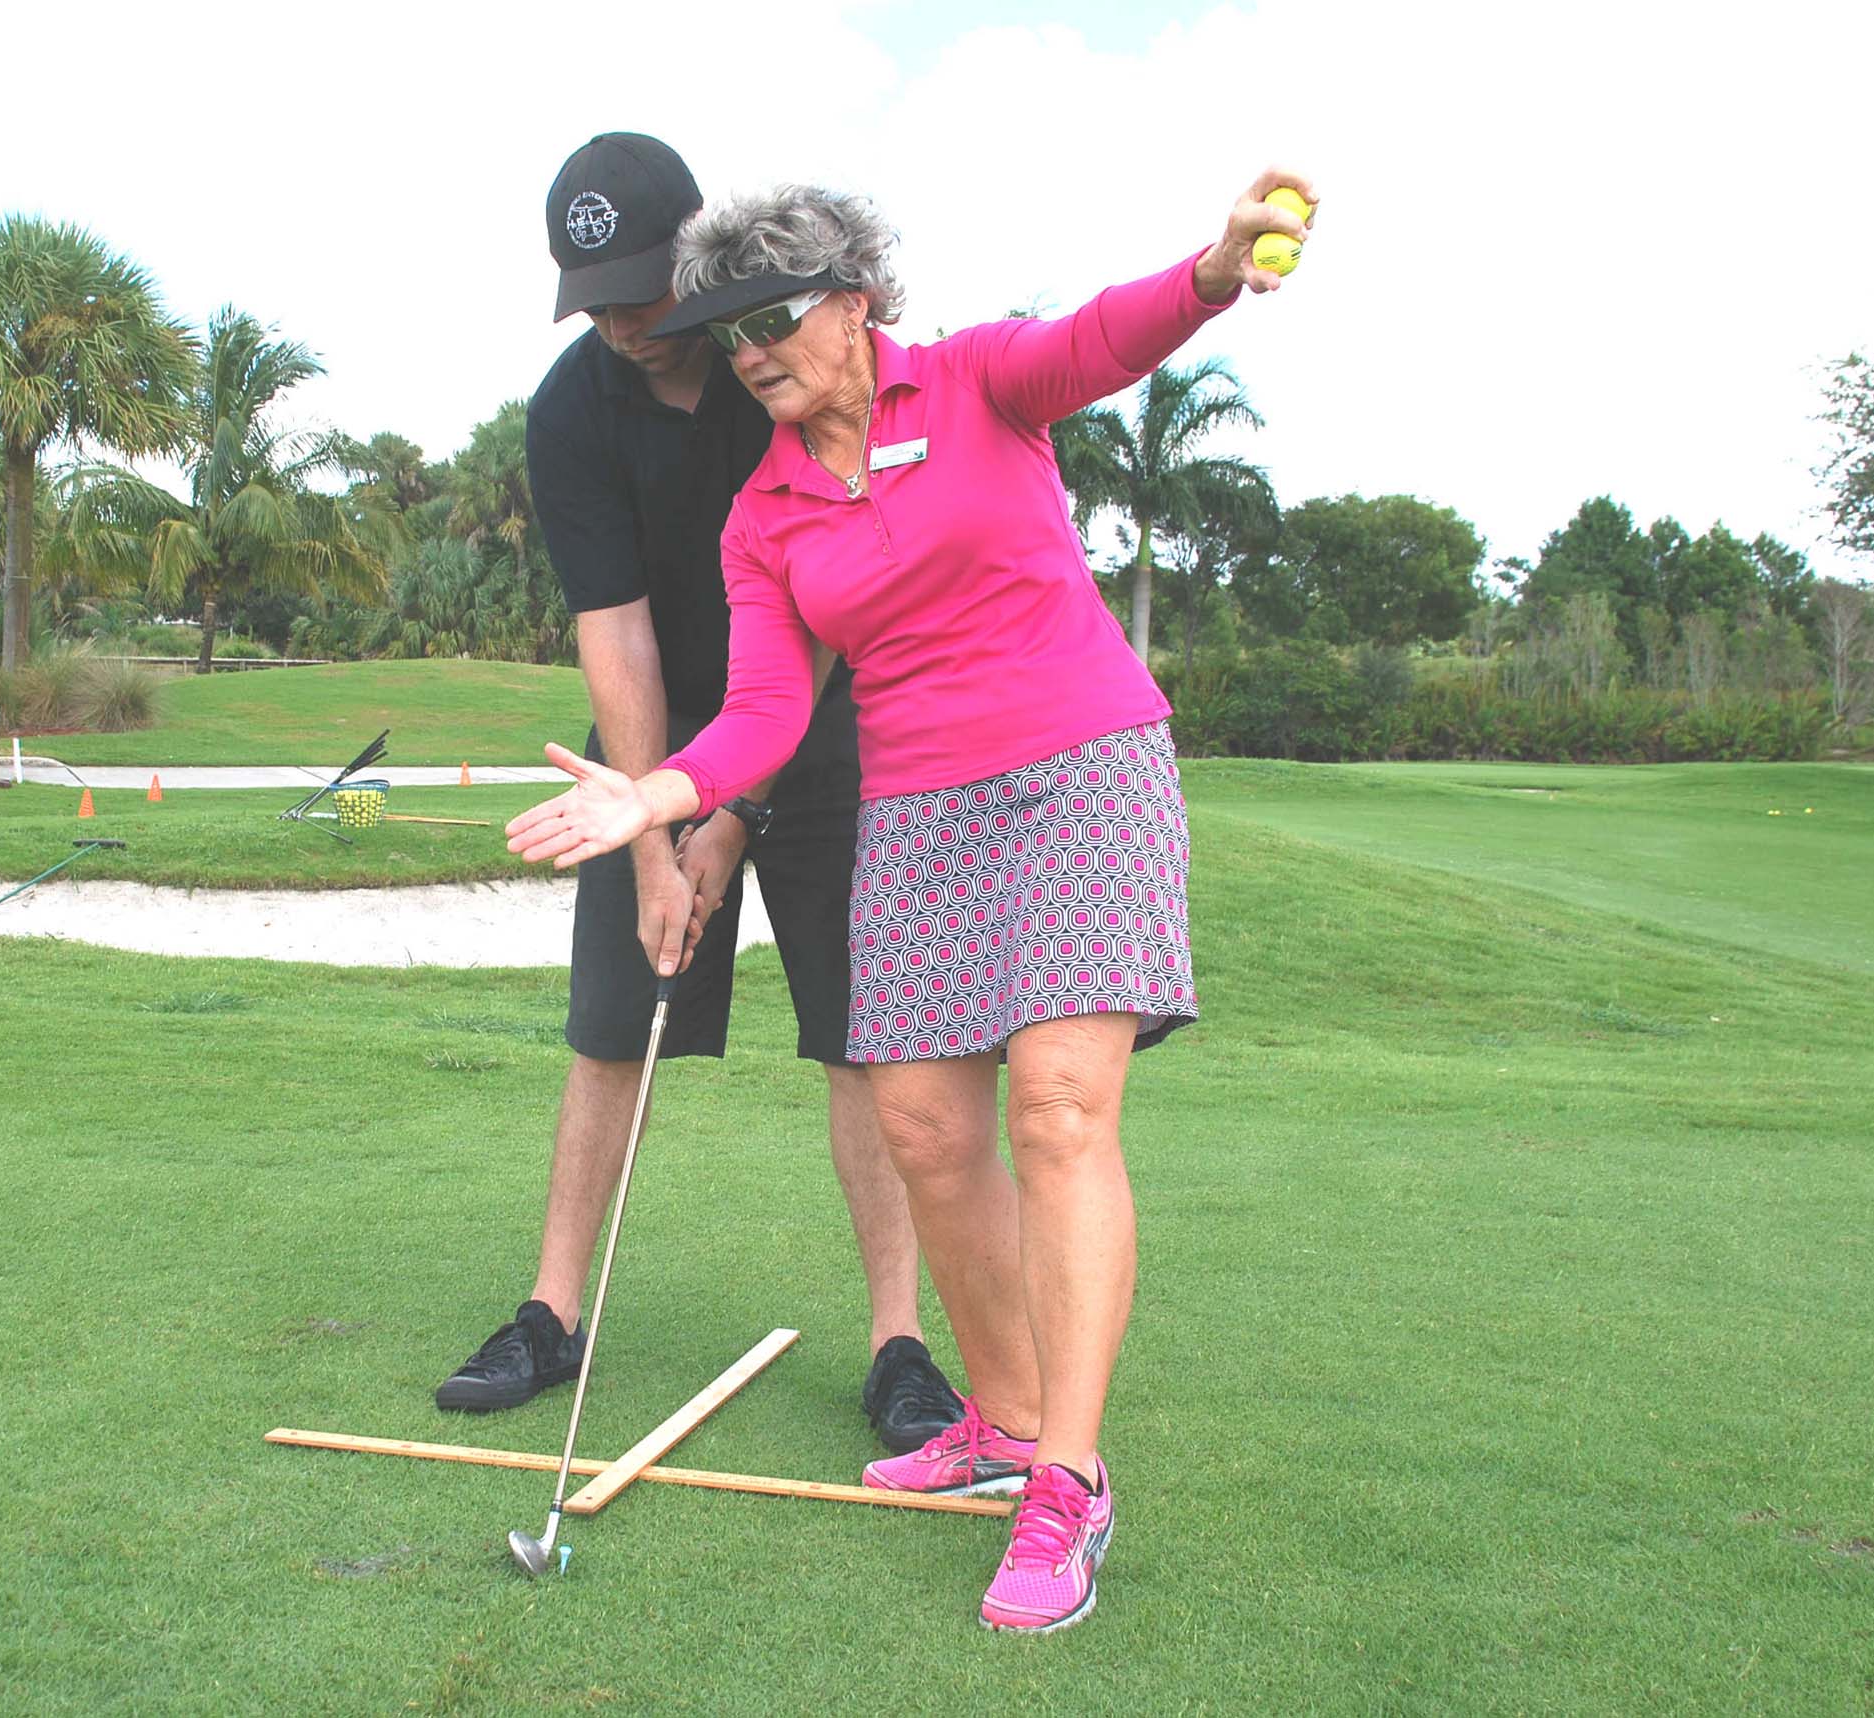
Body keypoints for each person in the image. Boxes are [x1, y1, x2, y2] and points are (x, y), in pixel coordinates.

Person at [504, 170, 1315, 1632]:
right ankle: (1003, 1419)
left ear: (859, 299)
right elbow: (761, 710)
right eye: (728, 331)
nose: (750, 352)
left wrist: (1209, 273)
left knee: (1059, 1106)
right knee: (928, 1131)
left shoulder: (980, 382)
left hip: (1081, 769)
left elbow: (1105, 339)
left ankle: (1066, 1477)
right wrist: (660, 794)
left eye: (774, 318)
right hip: (919, 806)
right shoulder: (764, 512)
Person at [435, 134, 963, 1457]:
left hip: (836, 729)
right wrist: (657, 836)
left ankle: (900, 1342)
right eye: (593, 296)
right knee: (615, 1019)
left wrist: (735, 815)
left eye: (637, 288)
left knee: (865, 1036)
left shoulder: (774, 372)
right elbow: (618, 635)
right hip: (653, 743)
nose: (619, 322)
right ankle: (553, 1312)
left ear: (696, 257)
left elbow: (827, 616)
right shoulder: (572, 410)